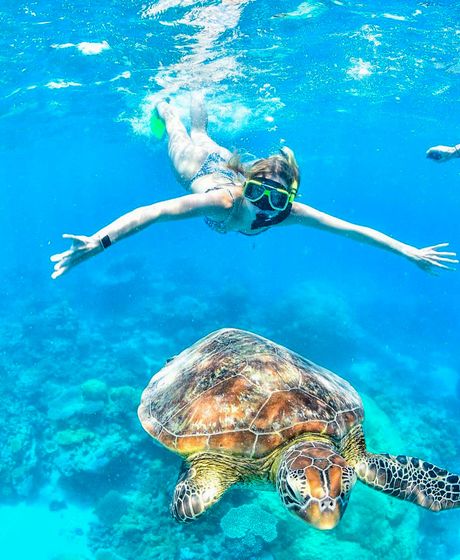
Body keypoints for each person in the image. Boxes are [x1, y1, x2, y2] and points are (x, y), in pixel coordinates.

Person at [50, 95, 458, 279]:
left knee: (202, 129)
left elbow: (352, 230)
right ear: (247, 185)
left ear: (288, 200)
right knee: (180, 131)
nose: (264, 207)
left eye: (276, 198)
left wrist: (409, 251)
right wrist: (98, 243)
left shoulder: (289, 214)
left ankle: (200, 88)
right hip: (197, 170)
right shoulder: (223, 203)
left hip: (223, 162)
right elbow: (153, 213)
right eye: (259, 193)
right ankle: (165, 103)